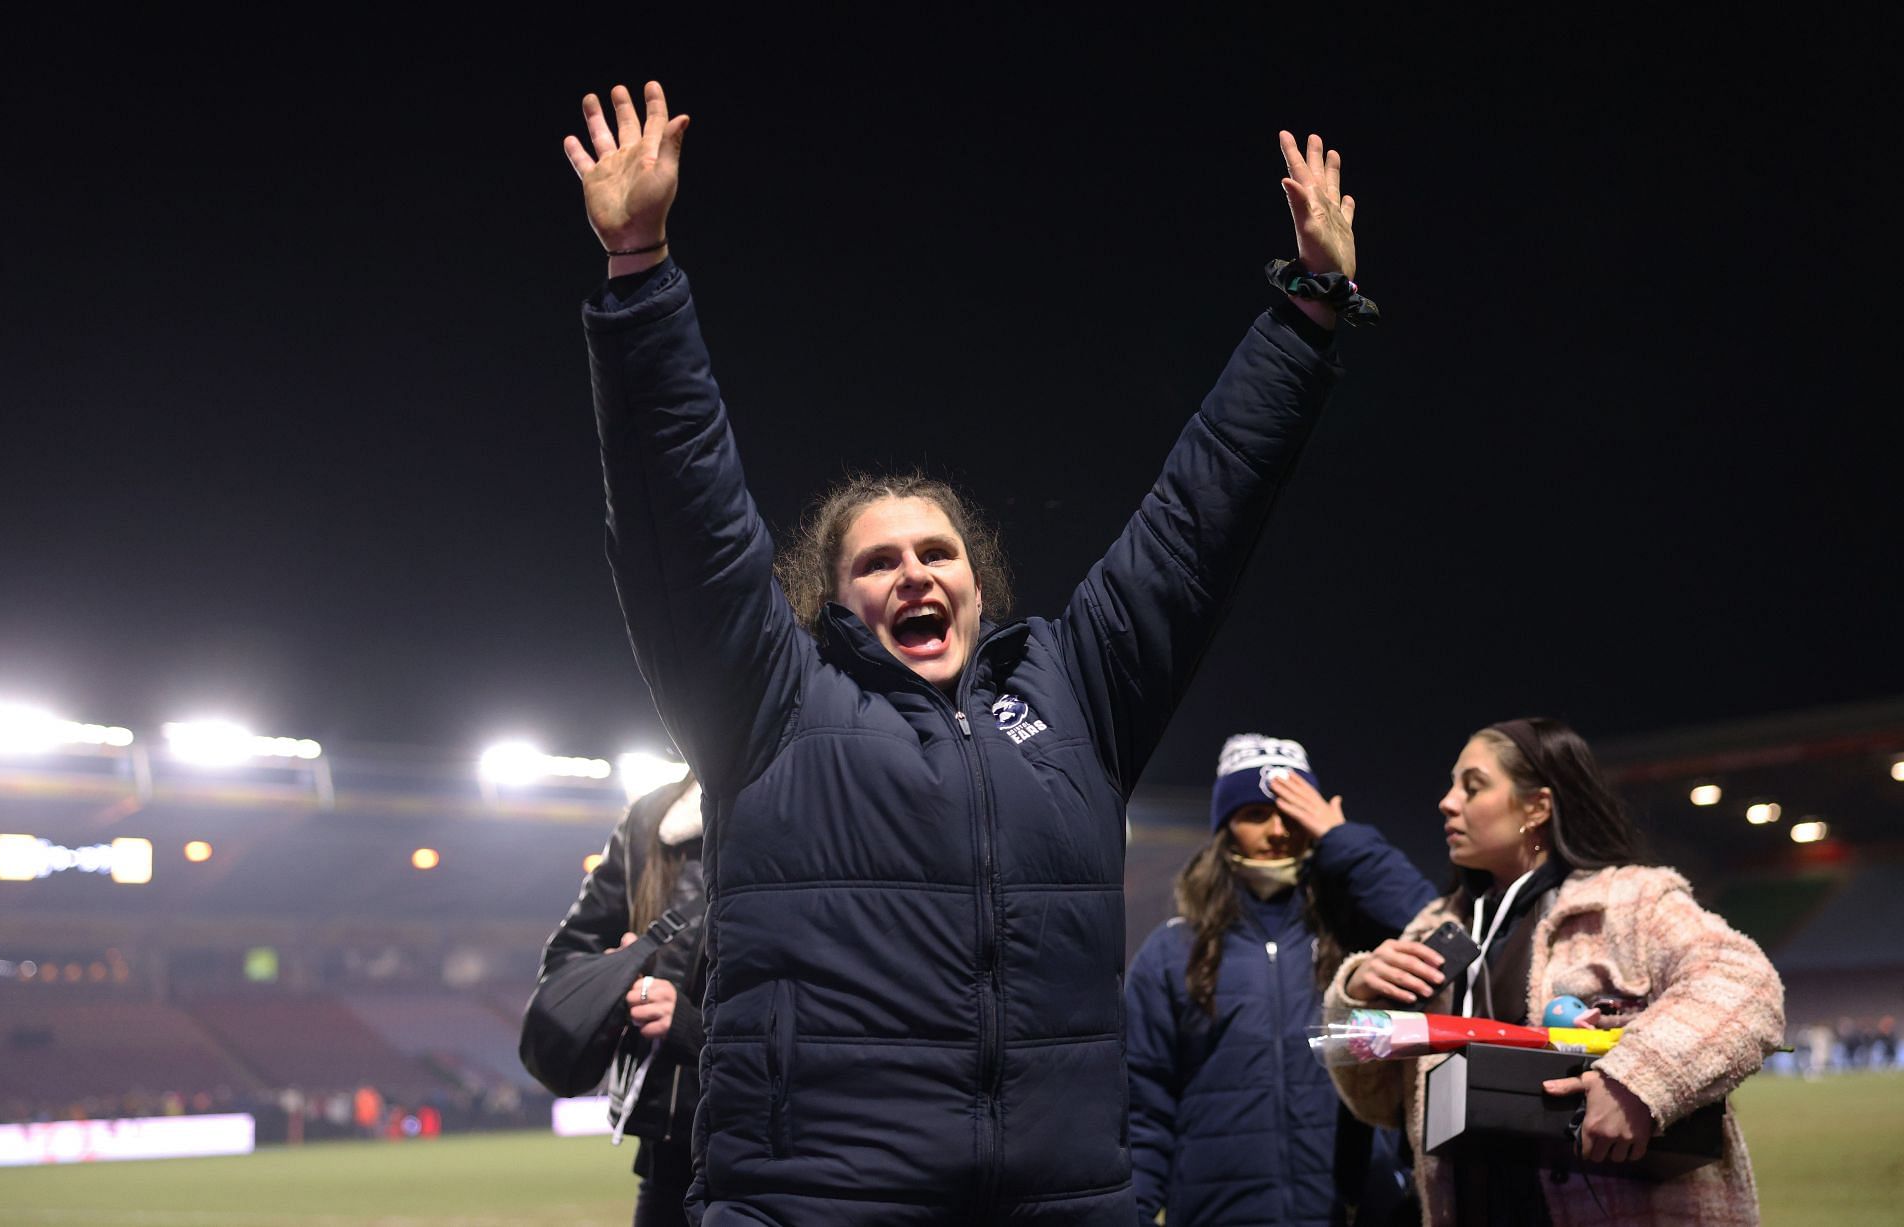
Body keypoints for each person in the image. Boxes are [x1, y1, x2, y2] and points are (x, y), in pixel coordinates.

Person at [565, 79, 1367, 1225]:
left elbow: (1204, 516)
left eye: (936, 552)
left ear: (978, 587)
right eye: (877, 562)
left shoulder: (1078, 692)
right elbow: (680, 517)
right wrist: (639, 269)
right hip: (816, 1203)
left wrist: (1310, 307)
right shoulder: (771, 701)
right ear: (829, 598)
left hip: (1061, 1202)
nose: (914, 574)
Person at [1326, 718, 1785, 1226]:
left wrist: (1637, 1079)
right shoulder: (1434, 929)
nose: (1447, 802)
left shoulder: (1630, 900)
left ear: (1537, 807)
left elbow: (1747, 984)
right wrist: (1358, 998)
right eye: (1452, 785)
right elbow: (1380, 1104)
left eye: (1472, 786)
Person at [1125, 735, 1435, 1227]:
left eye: (1293, 813)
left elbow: (1443, 936)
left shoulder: (1363, 939)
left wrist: (1344, 840)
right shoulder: (1171, 954)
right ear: (1225, 826)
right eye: (1255, 813)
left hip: (1356, 1212)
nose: (1277, 831)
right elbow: (1143, 1116)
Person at [530, 772, 706, 1227]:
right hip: (669, 1158)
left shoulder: (814, 805)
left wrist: (694, 1028)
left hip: (779, 1154)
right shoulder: (652, 818)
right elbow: (567, 960)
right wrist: (611, 976)